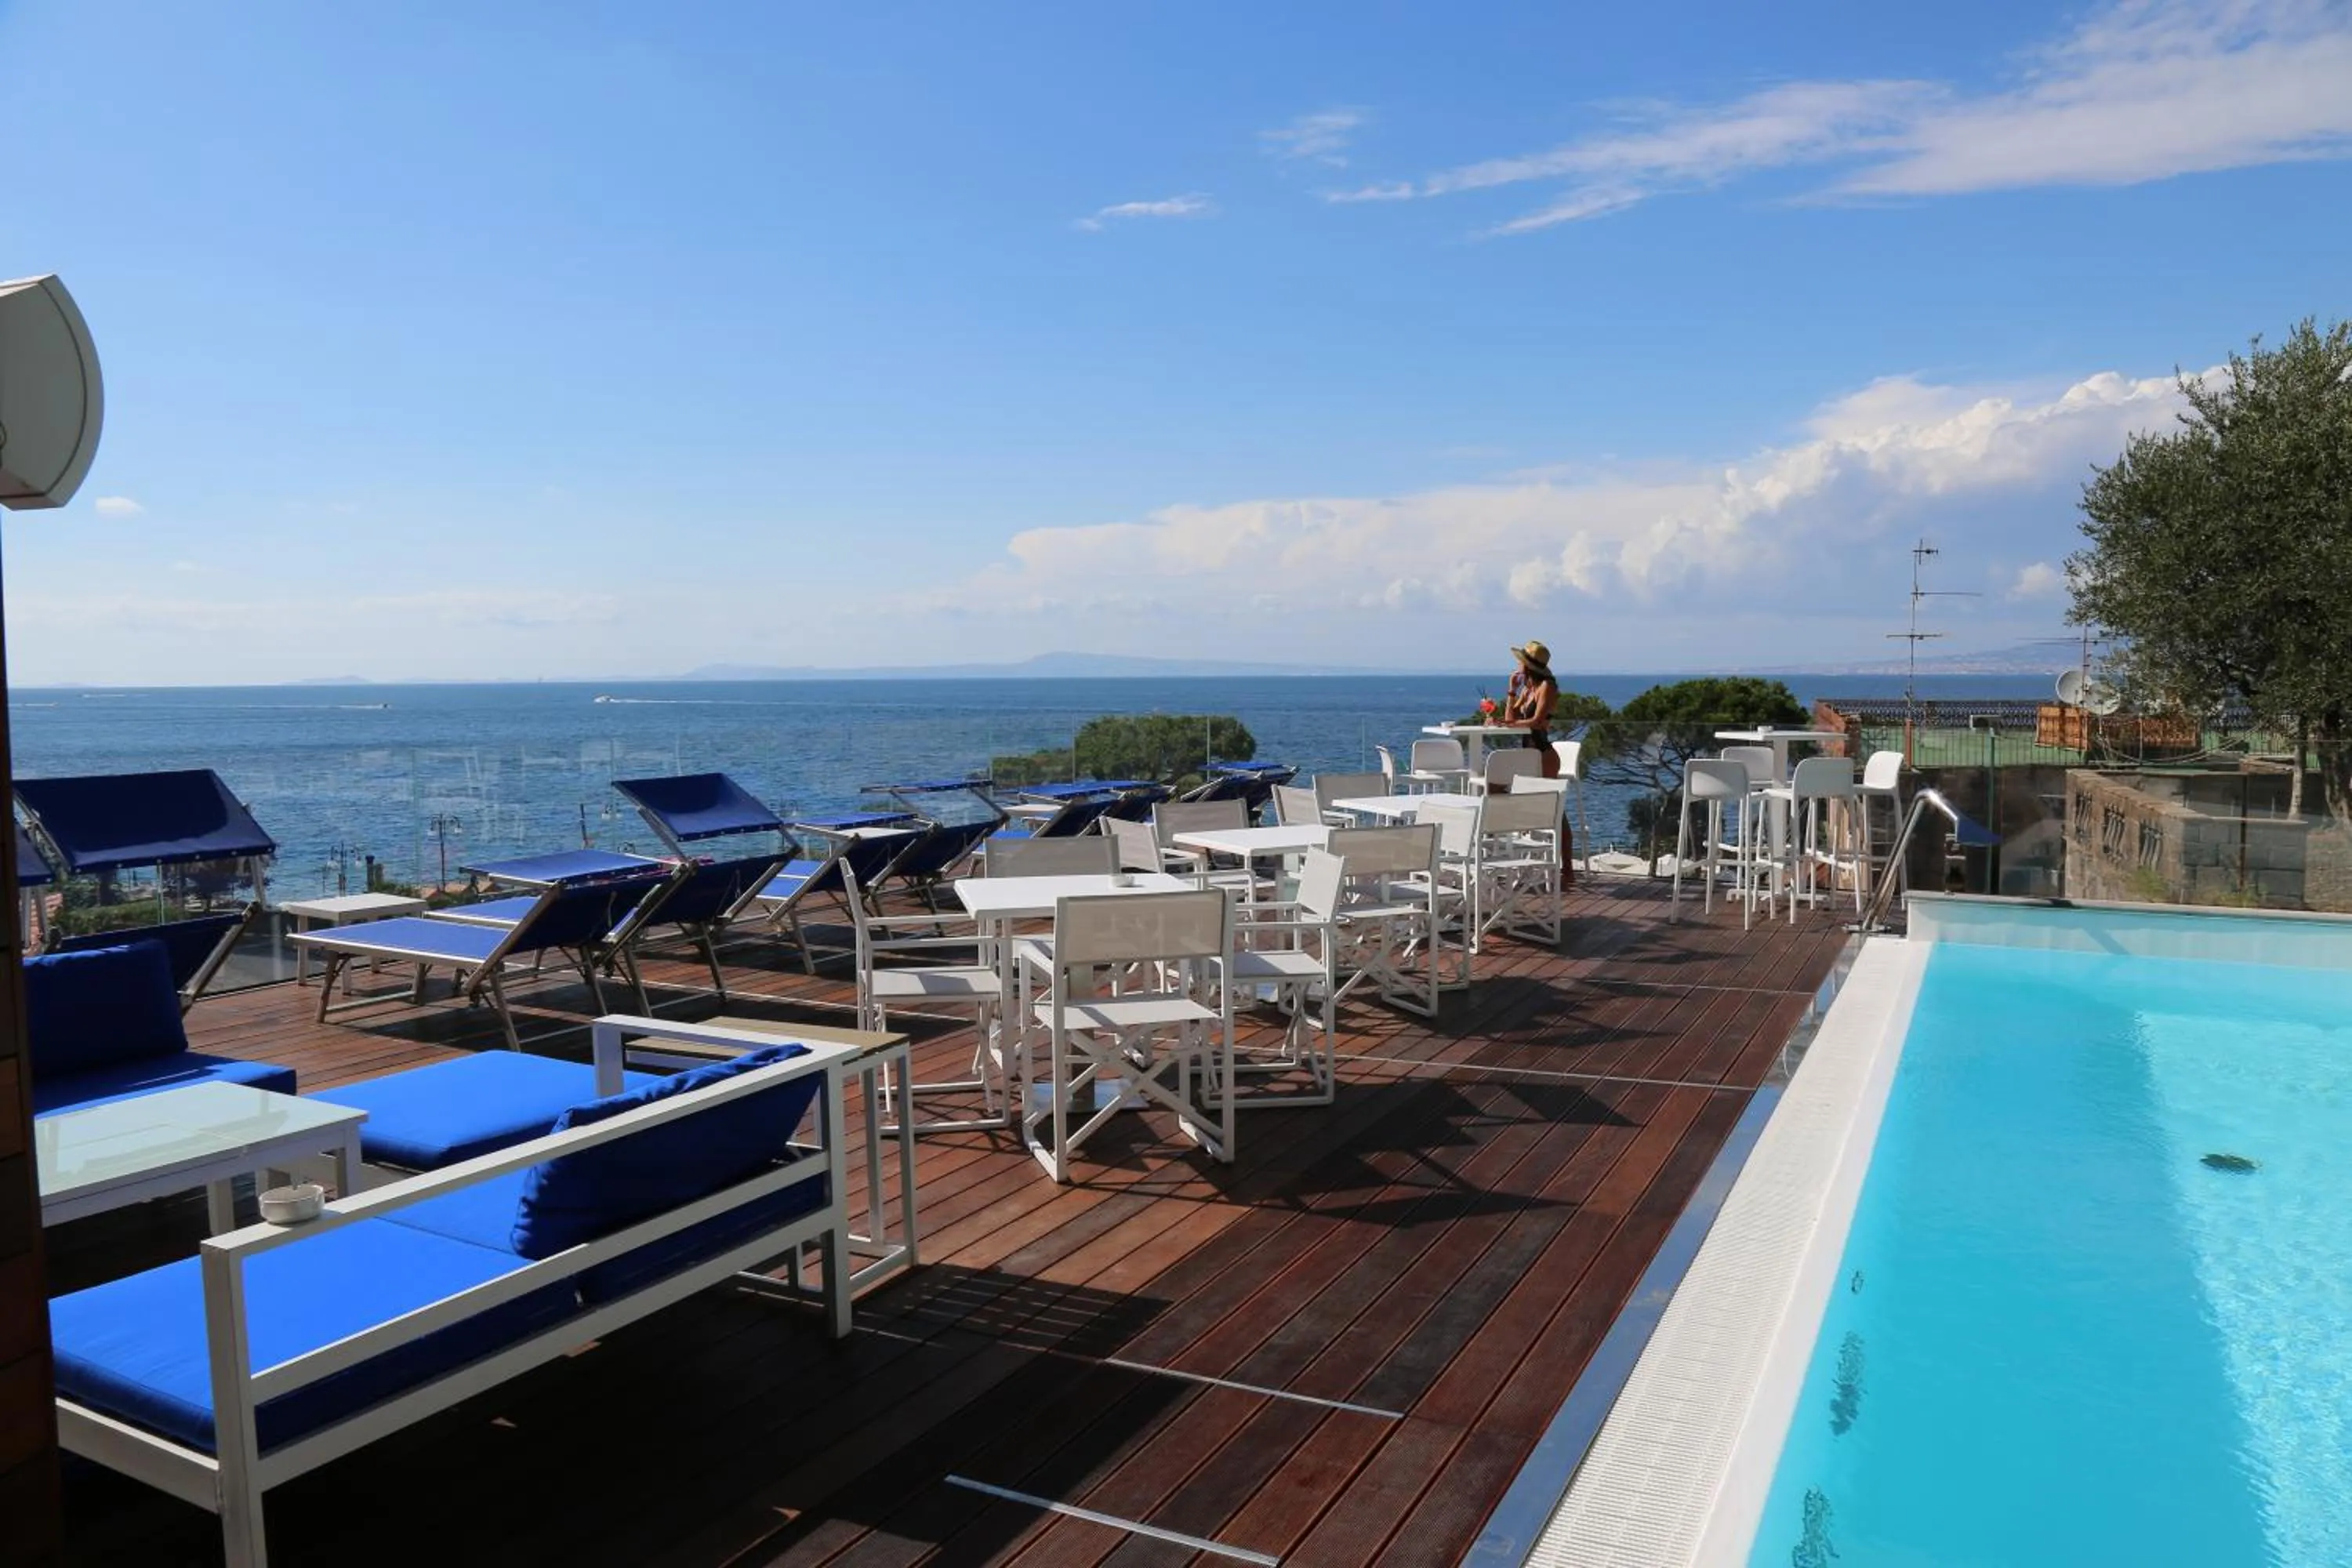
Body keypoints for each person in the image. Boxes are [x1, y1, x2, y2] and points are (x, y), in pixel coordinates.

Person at [1502, 639, 1561, 778]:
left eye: (1520, 661)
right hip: (1529, 756)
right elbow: (1509, 718)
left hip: (1544, 757)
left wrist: (1509, 724)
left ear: (1528, 666)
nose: (1518, 663)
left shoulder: (1547, 686)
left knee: (1543, 799)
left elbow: (1537, 721)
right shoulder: (1527, 690)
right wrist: (1512, 691)